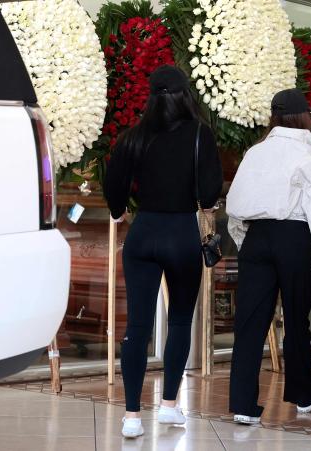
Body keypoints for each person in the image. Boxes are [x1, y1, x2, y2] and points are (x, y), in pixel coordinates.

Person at [103, 65, 223, 438]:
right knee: (179, 321)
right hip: (181, 235)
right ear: (185, 95)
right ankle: (170, 405)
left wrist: (119, 208)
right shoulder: (200, 134)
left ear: (151, 96)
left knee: (137, 326)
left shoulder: (133, 136)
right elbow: (208, 192)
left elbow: (113, 183)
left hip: (143, 234)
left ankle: (132, 417)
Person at [226, 89, 311, 425]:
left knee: (249, 322)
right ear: (305, 116)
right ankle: (304, 393)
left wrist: (244, 239)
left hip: (257, 237)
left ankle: (244, 405)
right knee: (296, 318)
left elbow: (235, 202)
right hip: (296, 239)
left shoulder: (255, 152)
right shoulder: (309, 154)